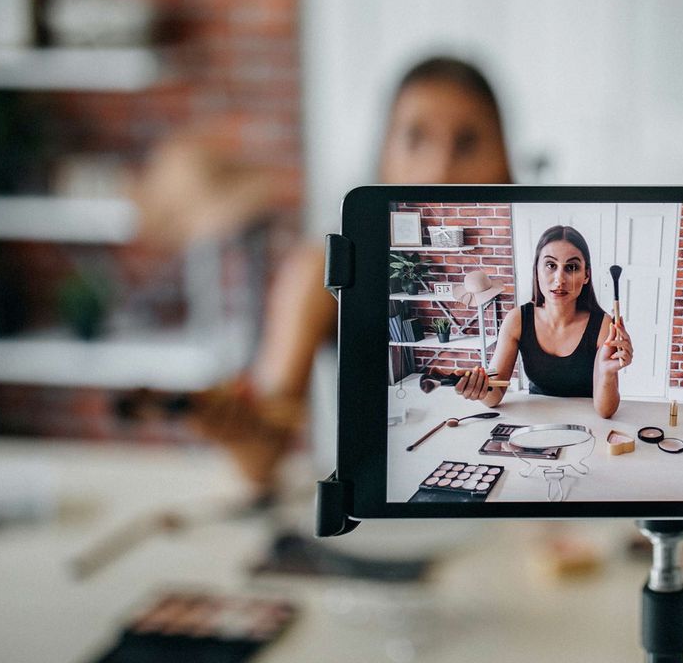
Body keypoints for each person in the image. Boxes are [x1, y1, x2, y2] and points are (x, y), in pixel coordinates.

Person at [152, 56, 514, 493]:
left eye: (467, 142)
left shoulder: (527, 273)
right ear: (382, 154)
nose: (439, 169)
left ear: (505, 160)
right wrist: (231, 426)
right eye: (415, 138)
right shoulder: (321, 271)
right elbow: (262, 457)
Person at [451, 224, 633, 419]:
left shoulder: (603, 326)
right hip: (535, 423)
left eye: (571, 267)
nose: (559, 279)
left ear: (586, 275)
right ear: (536, 270)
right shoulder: (517, 320)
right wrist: (479, 388)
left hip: (587, 425)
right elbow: (494, 395)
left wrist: (607, 373)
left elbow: (605, 411)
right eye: (550, 265)